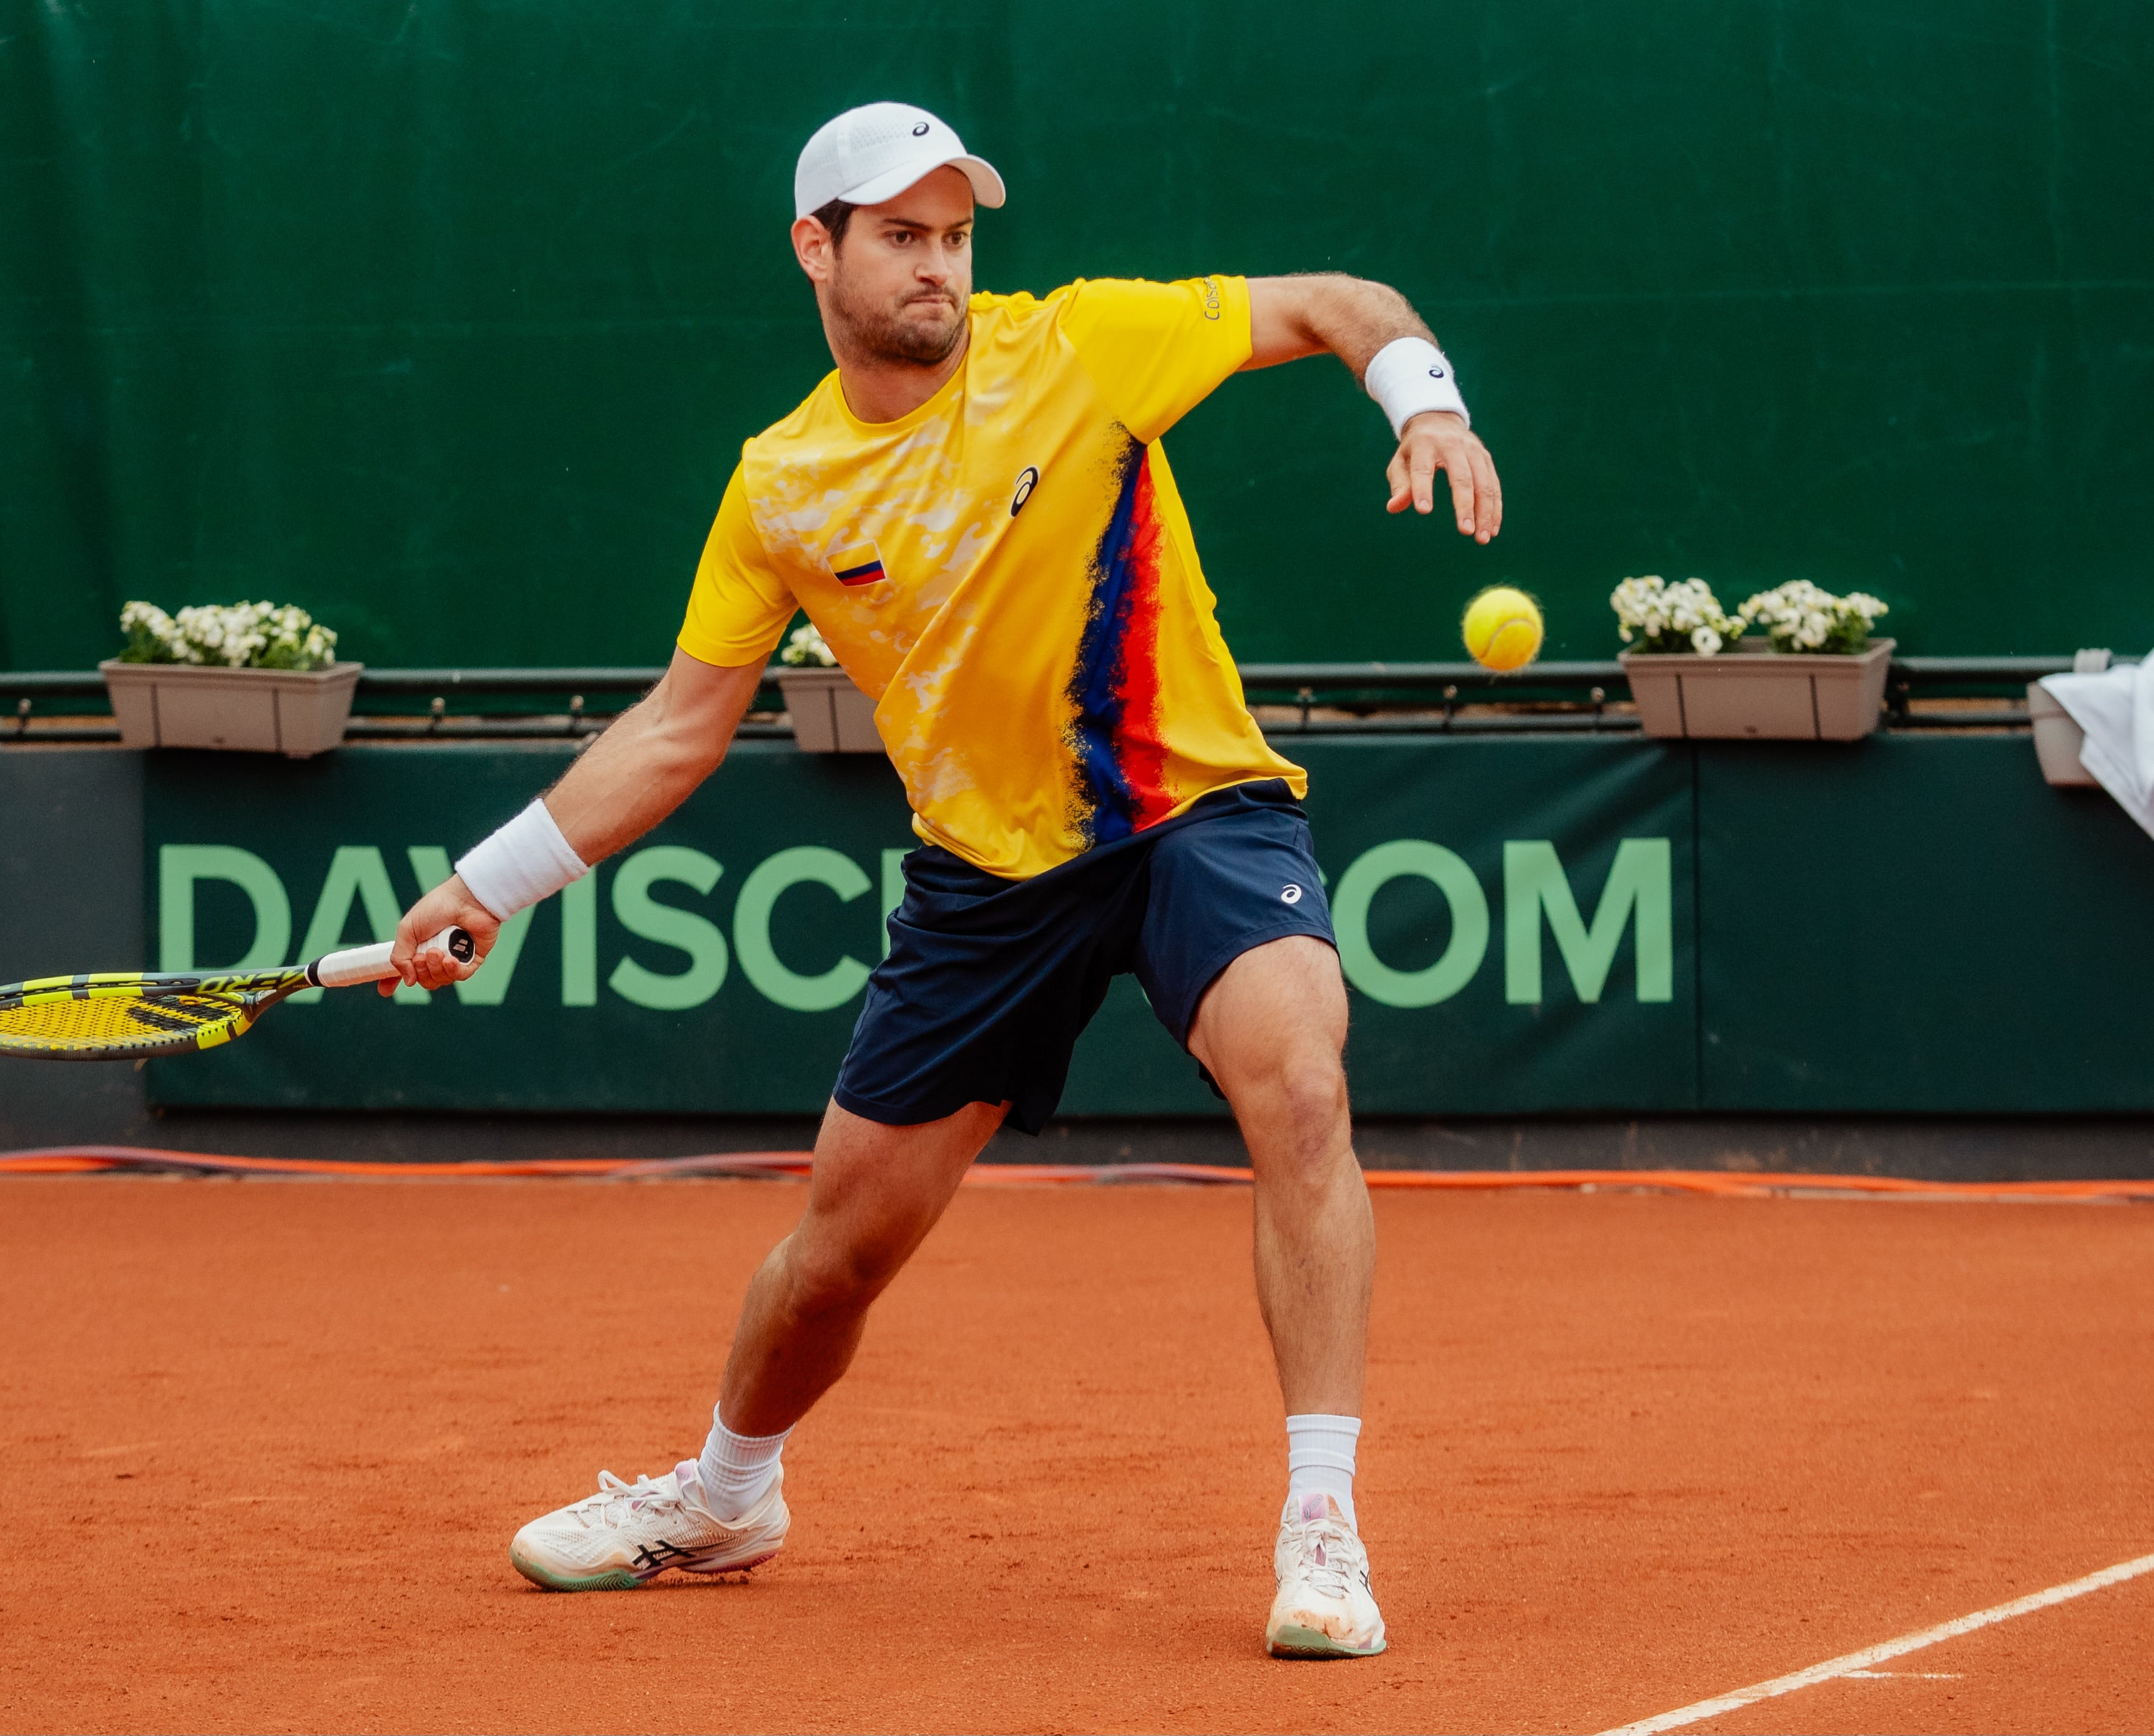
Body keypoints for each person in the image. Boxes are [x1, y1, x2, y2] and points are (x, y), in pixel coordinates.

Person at [385, 101, 1501, 1659]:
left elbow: (1337, 303)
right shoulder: (782, 487)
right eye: (902, 237)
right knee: (836, 1255)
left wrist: (1426, 405)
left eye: (956, 237)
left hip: (1192, 808)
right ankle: (725, 1496)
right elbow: (680, 727)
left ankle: (1322, 1521)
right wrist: (489, 883)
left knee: (1302, 1083)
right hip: (988, 876)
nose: (939, 267)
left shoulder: (1081, 345)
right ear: (817, 248)